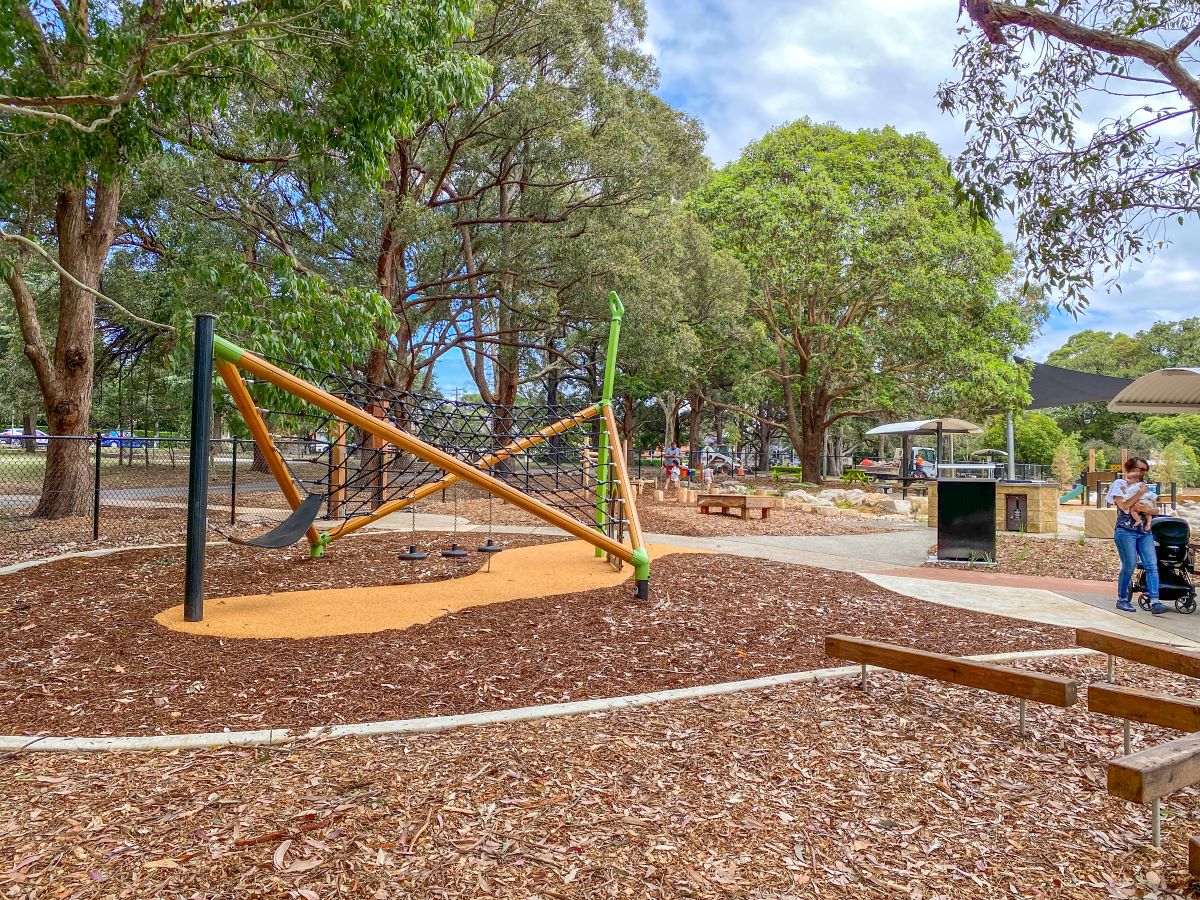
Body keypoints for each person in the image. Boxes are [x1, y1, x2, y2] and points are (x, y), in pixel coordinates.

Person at [1106, 457, 1167, 615]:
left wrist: (1146, 509)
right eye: (1139, 469)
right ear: (1130, 468)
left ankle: (1155, 601)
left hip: (1144, 532)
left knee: (1151, 565)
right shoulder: (1120, 484)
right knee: (1129, 565)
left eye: (1144, 470)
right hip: (1125, 531)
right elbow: (1124, 507)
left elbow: (1155, 510)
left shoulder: (1145, 486)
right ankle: (1123, 599)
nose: (1141, 473)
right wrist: (1139, 494)